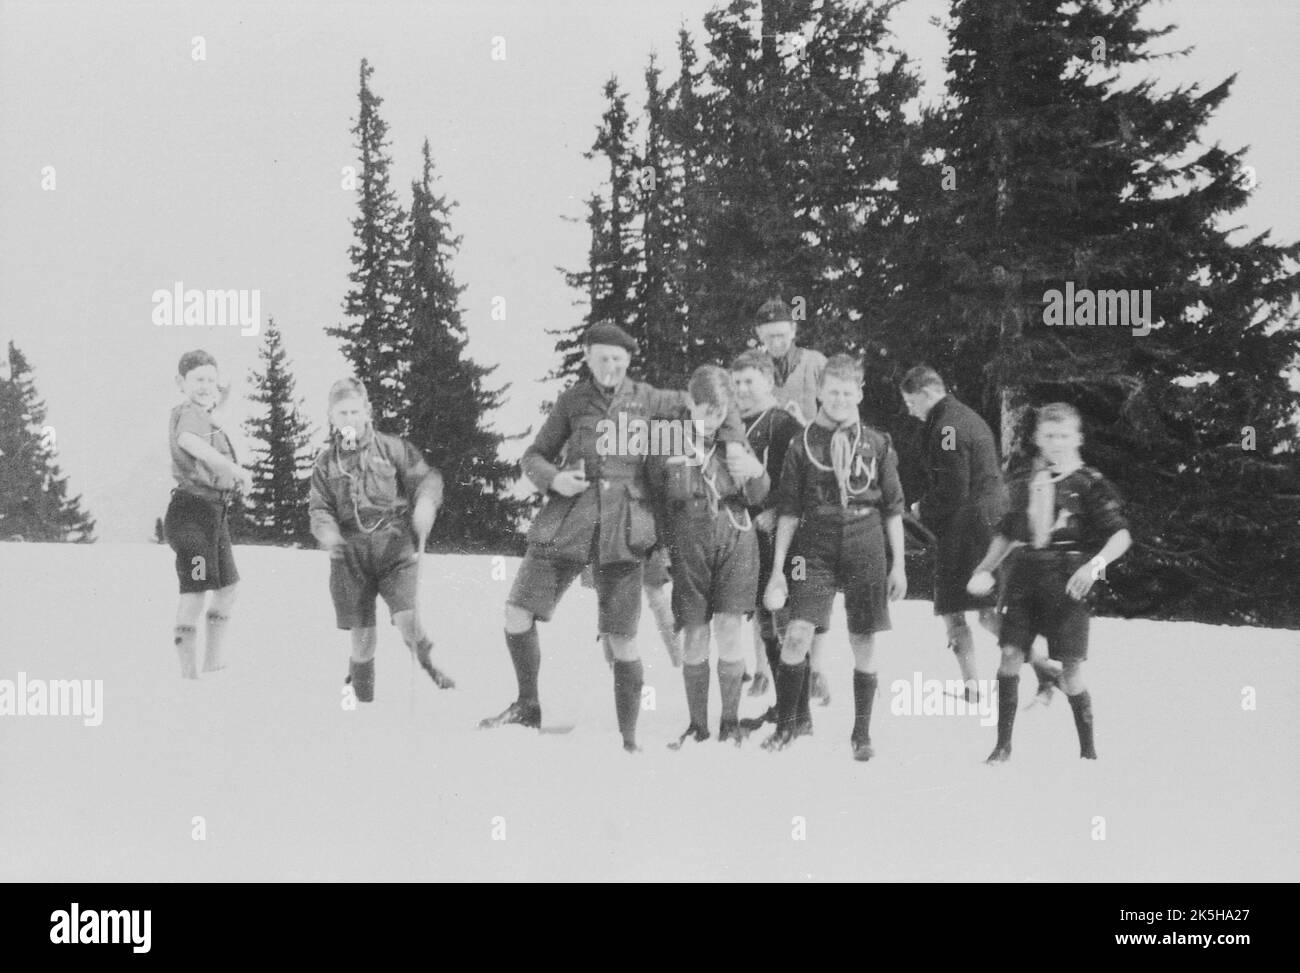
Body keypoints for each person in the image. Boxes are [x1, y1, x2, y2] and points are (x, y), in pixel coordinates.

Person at [479, 322, 750, 752]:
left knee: (622, 634)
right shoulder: (572, 401)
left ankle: (628, 740)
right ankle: (528, 705)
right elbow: (534, 455)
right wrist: (553, 478)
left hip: (625, 527)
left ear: (628, 362)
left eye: (618, 360)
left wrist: (733, 441)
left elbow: (714, 402)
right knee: (517, 610)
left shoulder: (650, 399)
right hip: (568, 520)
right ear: (588, 358)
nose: (610, 367)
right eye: (602, 358)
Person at [967, 402, 1131, 763]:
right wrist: (984, 568)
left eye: (1064, 435)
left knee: (1070, 670)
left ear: (1077, 438)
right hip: (1025, 575)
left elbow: (1120, 536)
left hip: (1068, 579)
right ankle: (1002, 746)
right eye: (1049, 435)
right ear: (1038, 439)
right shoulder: (1027, 482)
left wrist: (1093, 568)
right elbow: (1008, 533)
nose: (1056, 442)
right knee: (1010, 653)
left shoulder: (1089, 483)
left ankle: (1088, 751)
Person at [763, 355, 907, 760]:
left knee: (863, 638)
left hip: (865, 539)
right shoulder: (801, 443)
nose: (840, 399)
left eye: (847, 392)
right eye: (832, 392)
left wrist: (899, 565)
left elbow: (893, 509)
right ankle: (788, 726)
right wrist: (778, 568)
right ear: (820, 393)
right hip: (814, 542)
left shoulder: (877, 443)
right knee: (797, 634)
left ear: (859, 393)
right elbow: (789, 510)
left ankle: (861, 734)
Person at [308, 378, 454, 703]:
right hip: (349, 555)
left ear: (367, 412)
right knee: (363, 641)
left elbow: (426, 478)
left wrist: (426, 504)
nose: (349, 419)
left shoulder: (391, 448)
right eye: (342, 413)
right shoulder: (326, 462)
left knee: (408, 619)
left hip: (393, 546)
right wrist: (328, 533)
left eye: (354, 412)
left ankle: (430, 666)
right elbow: (320, 508)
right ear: (331, 417)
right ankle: (362, 700)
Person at [647, 365, 769, 747]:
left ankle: (730, 722)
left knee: (730, 628)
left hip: (734, 534)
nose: (712, 421)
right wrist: (660, 546)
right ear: (690, 403)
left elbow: (761, 494)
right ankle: (697, 725)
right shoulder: (667, 441)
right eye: (705, 412)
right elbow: (654, 498)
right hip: (688, 538)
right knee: (695, 632)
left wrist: (756, 471)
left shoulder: (735, 443)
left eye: (720, 413)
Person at [899, 365, 1007, 700]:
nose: (910, 411)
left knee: (951, 607)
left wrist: (920, 508)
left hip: (967, 526)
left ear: (927, 393)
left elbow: (953, 488)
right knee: (987, 612)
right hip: (989, 522)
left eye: (911, 402)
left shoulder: (946, 426)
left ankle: (974, 686)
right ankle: (1041, 662)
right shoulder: (965, 416)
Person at [751, 297, 833, 705]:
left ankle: (815, 669)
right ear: (759, 336)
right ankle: (762, 669)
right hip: (770, 486)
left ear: (794, 331)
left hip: (809, 482)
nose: (776, 342)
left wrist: (805, 423)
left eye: (782, 335)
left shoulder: (815, 363)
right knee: (762, 581)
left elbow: (836, 416)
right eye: (769, 337)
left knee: (807, 584)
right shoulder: (755, 368)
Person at [165, 350, 250, 679]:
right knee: (196, 589)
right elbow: (188, 439)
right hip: (192, 516)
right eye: (198, 379)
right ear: (181, 382)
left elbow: (212, 411)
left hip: (213, 516)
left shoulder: (203, 413)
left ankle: (213, 662)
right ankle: (189, 676)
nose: (205, 386)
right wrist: (231, 468)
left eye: (211, 380)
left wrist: (223, 393)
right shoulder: (190, 414)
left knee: (228, 588)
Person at [730, 350, 802, 703]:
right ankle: (781, 702)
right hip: (748, 532)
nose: (742, 389)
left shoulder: (782, 423)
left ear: (769, 381)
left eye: (749, 381)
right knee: (763, 618)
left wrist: (775, 507)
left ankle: (795, 707)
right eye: (737, 382)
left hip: (780, 533)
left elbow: (800, 478)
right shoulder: (734, 423)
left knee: (783, 616)